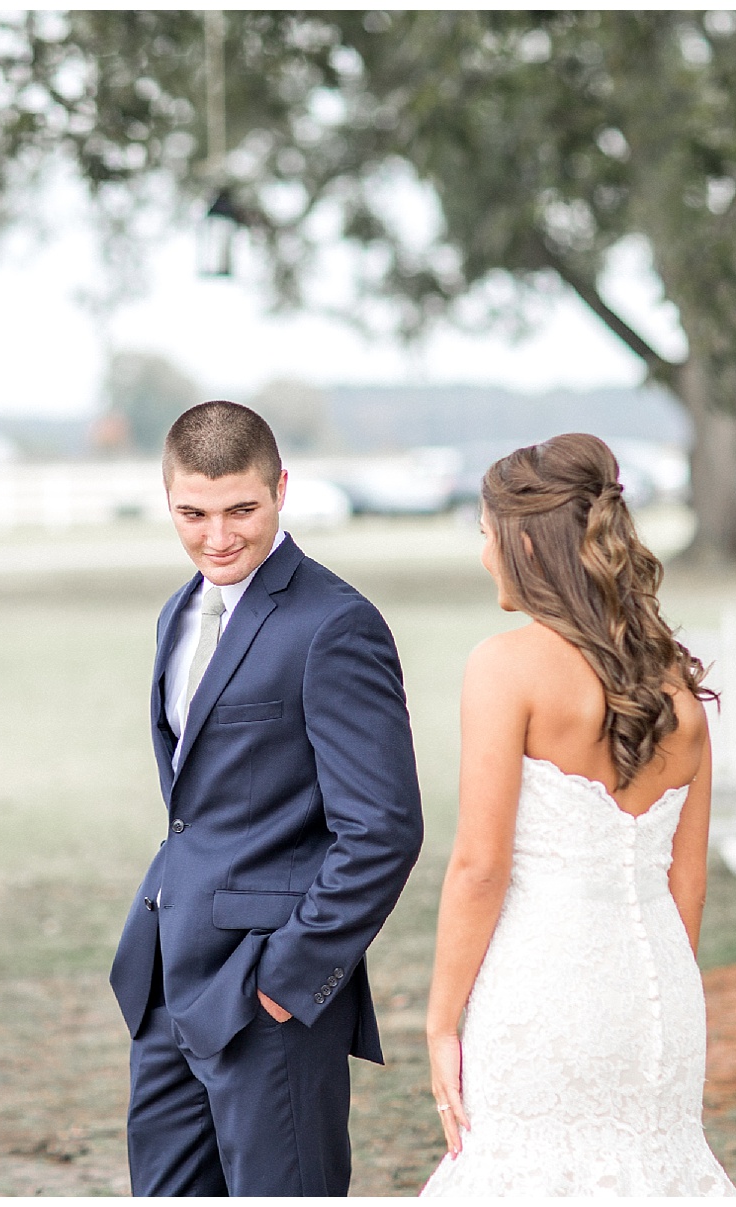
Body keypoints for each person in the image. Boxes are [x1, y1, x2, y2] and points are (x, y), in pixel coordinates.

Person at [108, 400, 425, 1196]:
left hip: (267, 997)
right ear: (169, 499)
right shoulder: (177, 613)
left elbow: (383, 829)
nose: (218, 536)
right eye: (194, 513)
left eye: (241, 508)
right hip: (166, 986)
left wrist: (289, 979)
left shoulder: (335, 624)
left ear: (281, 486)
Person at [420, 433, 736, 1197]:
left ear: (524, 539)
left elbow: (479, 867)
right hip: (660, 993)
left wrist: (440, 1020)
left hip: (544, 991)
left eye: (486, 532)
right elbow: (686, 884)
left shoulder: (504, 666)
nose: (484, 553)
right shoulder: (679, 693)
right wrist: (652, 988)